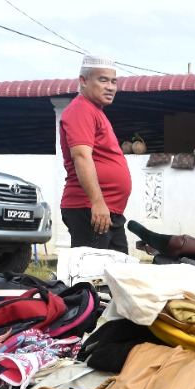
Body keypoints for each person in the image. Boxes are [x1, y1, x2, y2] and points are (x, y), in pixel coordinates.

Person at [59, 54, 132, 254]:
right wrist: (97, 202)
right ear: (83, 81)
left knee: (117, 276)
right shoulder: (80, 109)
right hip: (90, 209)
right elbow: (81, 156)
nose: (110, 87)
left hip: (106, 211)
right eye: (103, 80)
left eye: (114, 81)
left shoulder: (95, 111)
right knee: (91, 277)